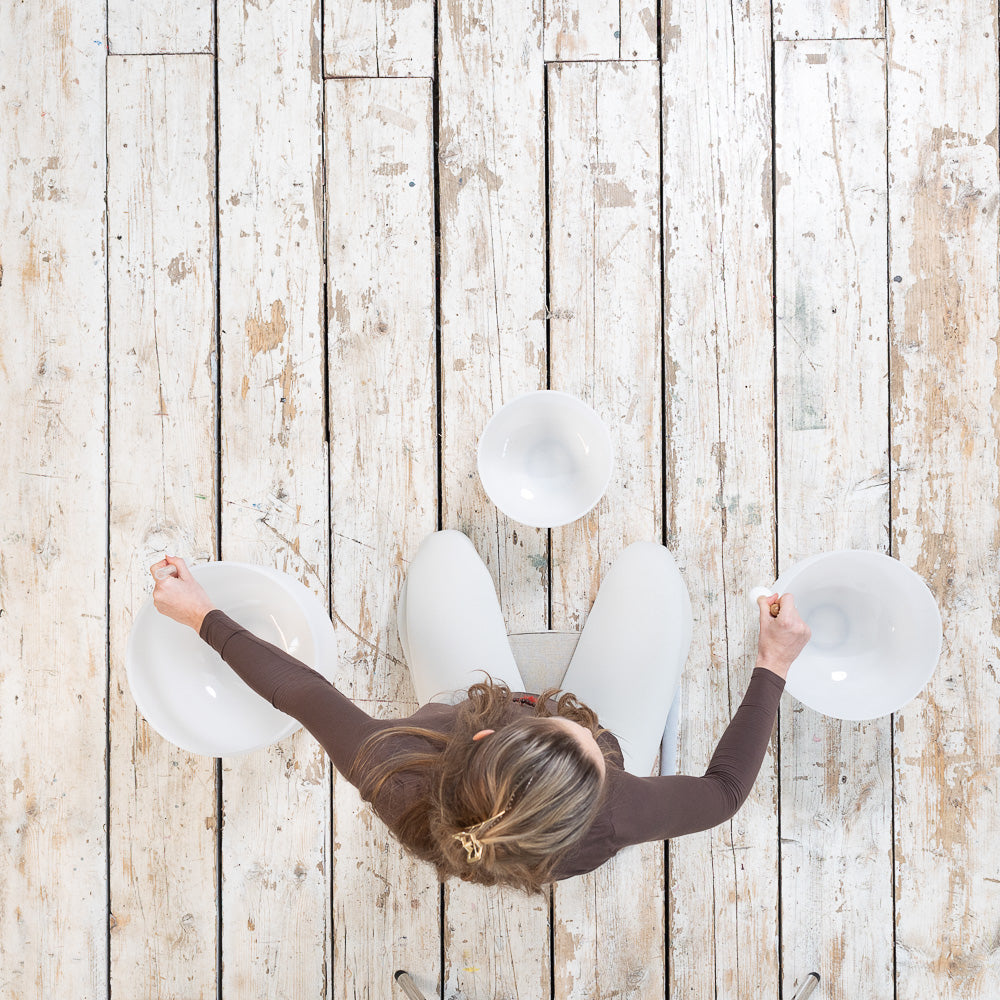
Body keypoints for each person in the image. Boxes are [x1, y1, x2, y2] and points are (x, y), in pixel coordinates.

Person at [149, 530, 810, 894]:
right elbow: (723, 794)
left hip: (455, 708)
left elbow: (300, 692)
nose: (573, 715)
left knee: (441, 552)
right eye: (587, 739)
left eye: (567, 727)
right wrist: (773, 665)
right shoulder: (612, 813)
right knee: (650, 565)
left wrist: (202, 615)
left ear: (488, 732)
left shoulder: (395, 765)